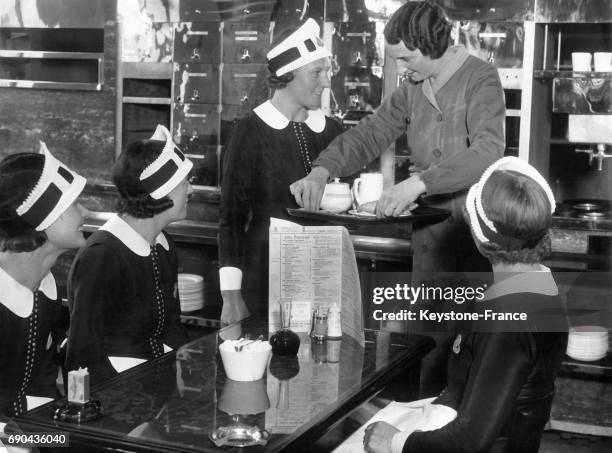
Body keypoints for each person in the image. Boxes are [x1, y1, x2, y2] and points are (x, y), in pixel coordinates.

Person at [290, 0, 505, 395]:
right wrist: (323, 167)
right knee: (429, 340)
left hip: (475, 232)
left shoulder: (480, 77)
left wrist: (417, 184)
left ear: (431, 44)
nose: (402, 67)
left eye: (406, 57)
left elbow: (488, 151)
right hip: (431, 232)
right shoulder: (412, 88)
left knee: (471, 342)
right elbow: (372, 131)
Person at [361, 156, 568, 453]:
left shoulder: (507, 318)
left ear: (479, 236)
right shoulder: (539, 285)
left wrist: (395, 441)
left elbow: (470, 440)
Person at [218, 18, 343, 324]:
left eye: (327, 71)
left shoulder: (334, 130)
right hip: (266, 274)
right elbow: (231, 219)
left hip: (325, 269)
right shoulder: (250, 131)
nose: (326, 82)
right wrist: (231, 296)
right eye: (316, 72)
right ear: (287, 75)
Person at [66, 125, 190, 385]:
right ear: (160, 190)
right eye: (184, 183)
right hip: (117, 394)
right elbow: (82, 353)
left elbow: (172, 325)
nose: (190, 190)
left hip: (157, 385)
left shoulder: (164, 243)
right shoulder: (102, 256)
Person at [0, 145, 88, 422]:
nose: (84, 212)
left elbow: (44, 384)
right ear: (42, 219)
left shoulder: (45, 286)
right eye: (74, 204)